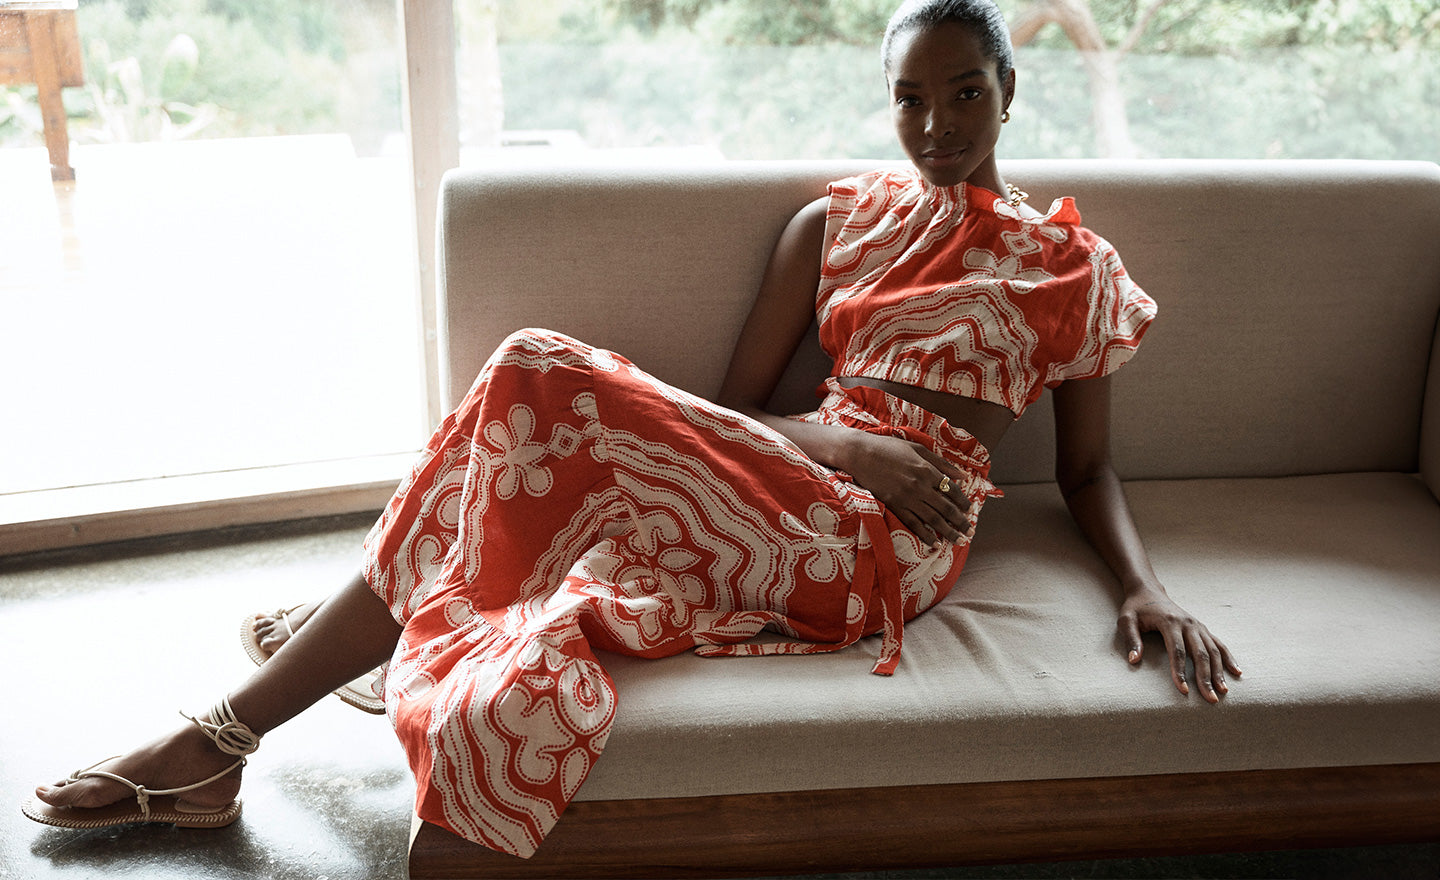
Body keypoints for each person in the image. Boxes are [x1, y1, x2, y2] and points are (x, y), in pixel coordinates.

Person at [25, 0, 1241, 860]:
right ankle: (234, 729)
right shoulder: (832, 224)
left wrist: (1143, 588)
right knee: (532, 382)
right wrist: (846, 439)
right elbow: (736, 414)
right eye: (909, 99)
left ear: (1009, 90)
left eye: (964, 92)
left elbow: (1088, 469)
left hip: (888, 547)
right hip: (804, 472)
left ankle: (229, 728)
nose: (936, 124)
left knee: (534, 370)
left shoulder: (1072, 267)